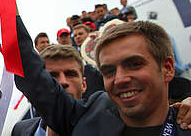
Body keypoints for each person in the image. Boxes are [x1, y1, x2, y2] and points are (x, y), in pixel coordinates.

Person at [14, 16, 191, 135]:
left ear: (167, 68)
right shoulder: (90, 113)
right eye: (109, 71)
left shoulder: (185, 122)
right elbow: (30, 71)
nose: (120, 79)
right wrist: (7, 4)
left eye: (134, 64)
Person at [12, 44, 87, 136]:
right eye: (52, 76)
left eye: (70, 74)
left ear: (83, 85)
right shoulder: (20, 130)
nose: (62, 82)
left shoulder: (103, 127)